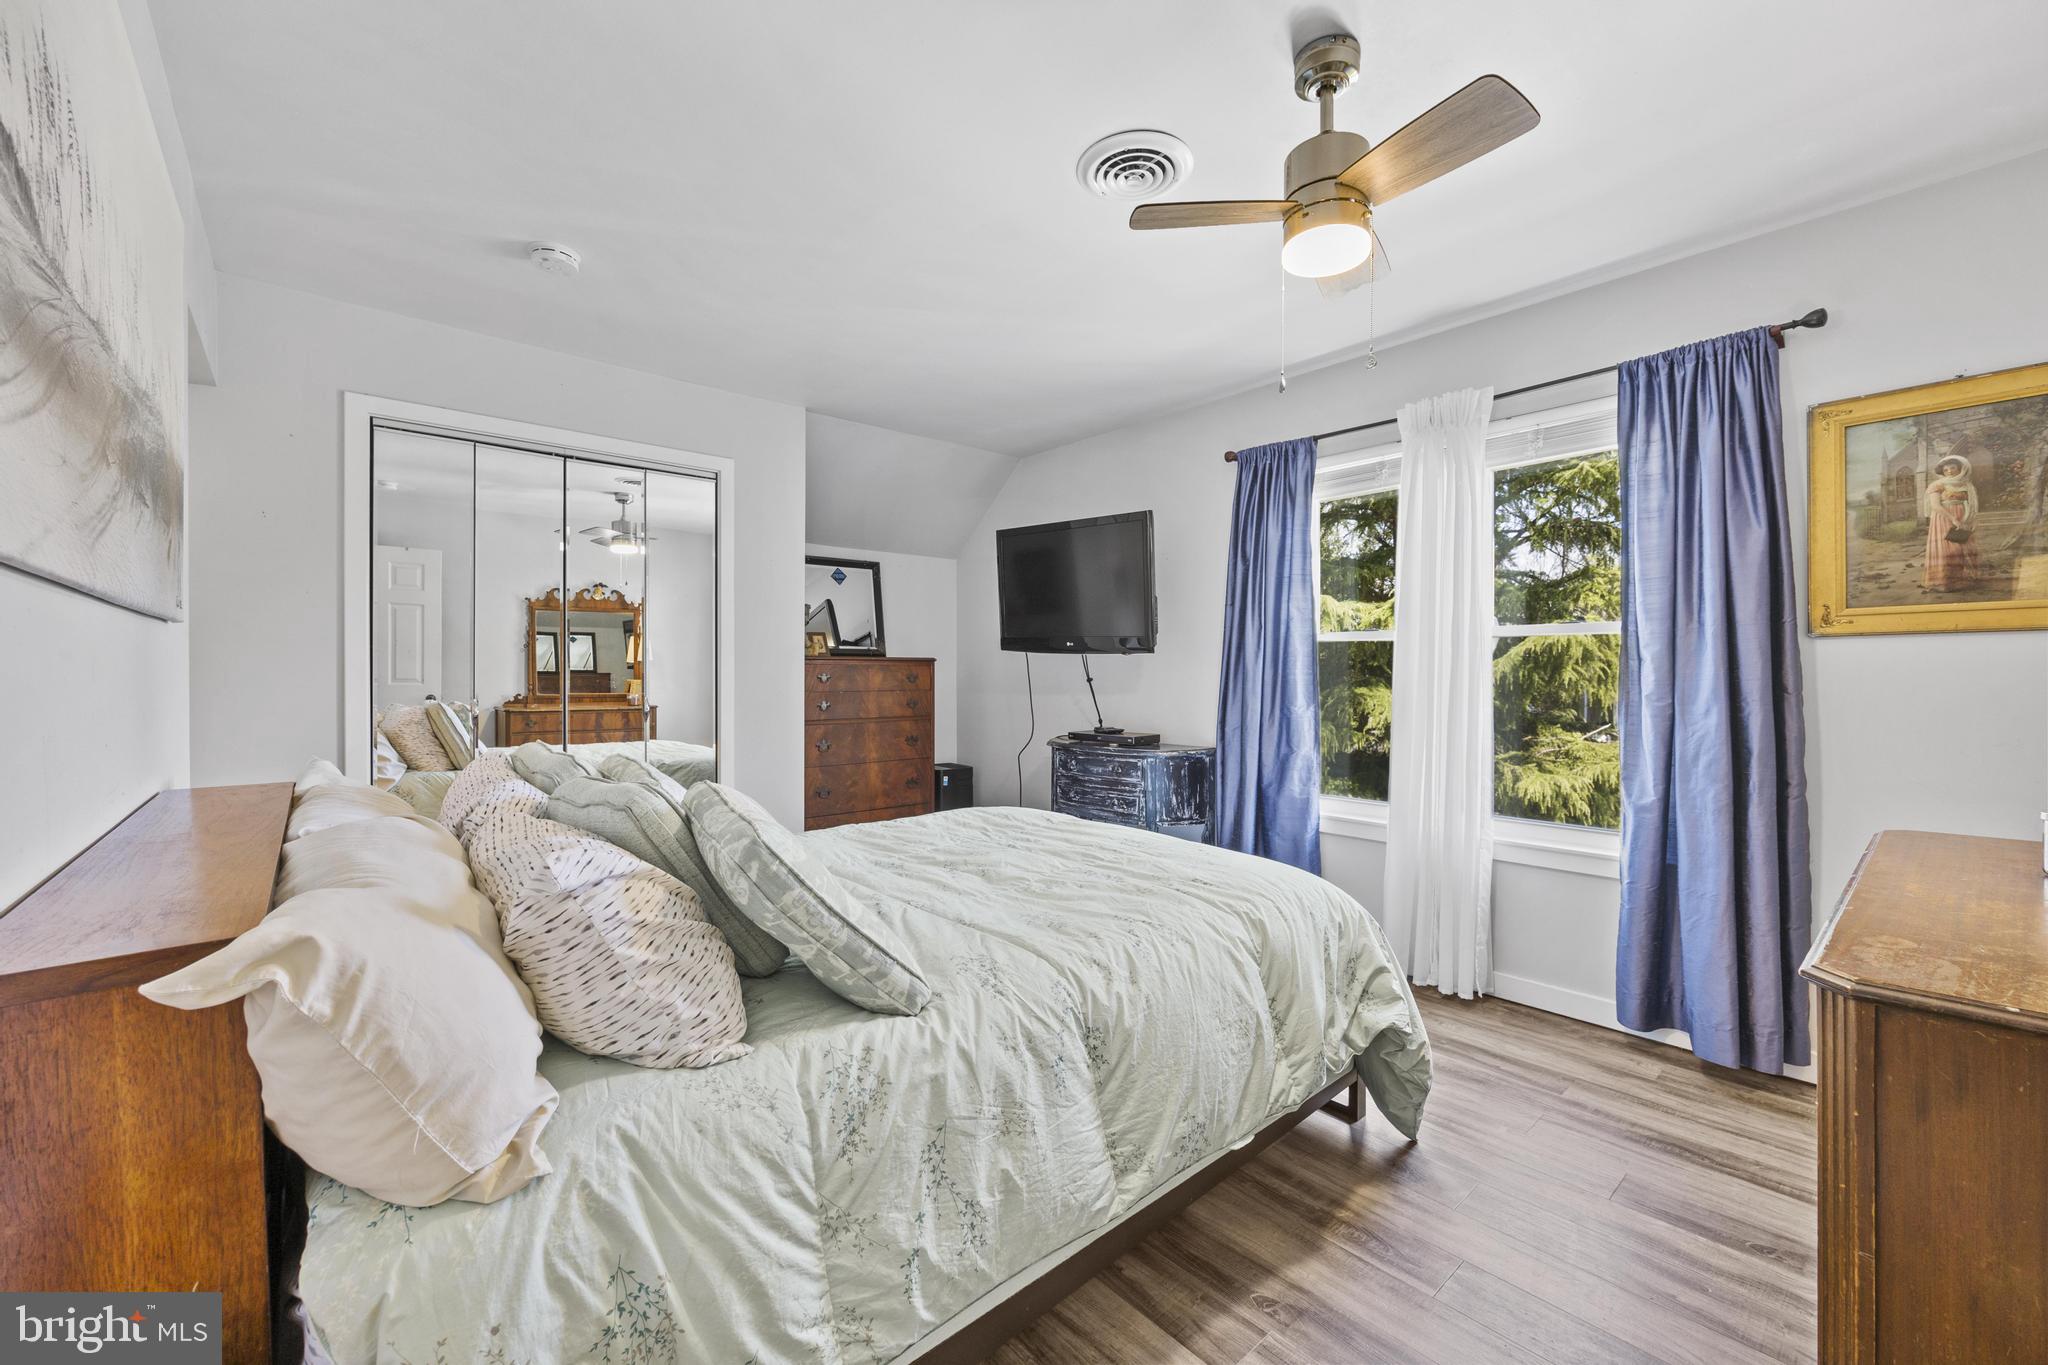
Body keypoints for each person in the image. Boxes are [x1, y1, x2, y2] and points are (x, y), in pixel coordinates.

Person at [1923, 452, 1981, 590]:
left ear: (1960, 468)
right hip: (1943, 518)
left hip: (1964, 517)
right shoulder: (1937, 485)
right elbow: (1935, 506)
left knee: (1962, 549)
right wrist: (1953, 519)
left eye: (1952, 468)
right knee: (1948, 549)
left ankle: (1962, 580)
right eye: (1946, 470)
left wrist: (1969, 519)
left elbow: (1971, 505)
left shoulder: (1967, 485)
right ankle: (1944, 582)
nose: (1949, 471)